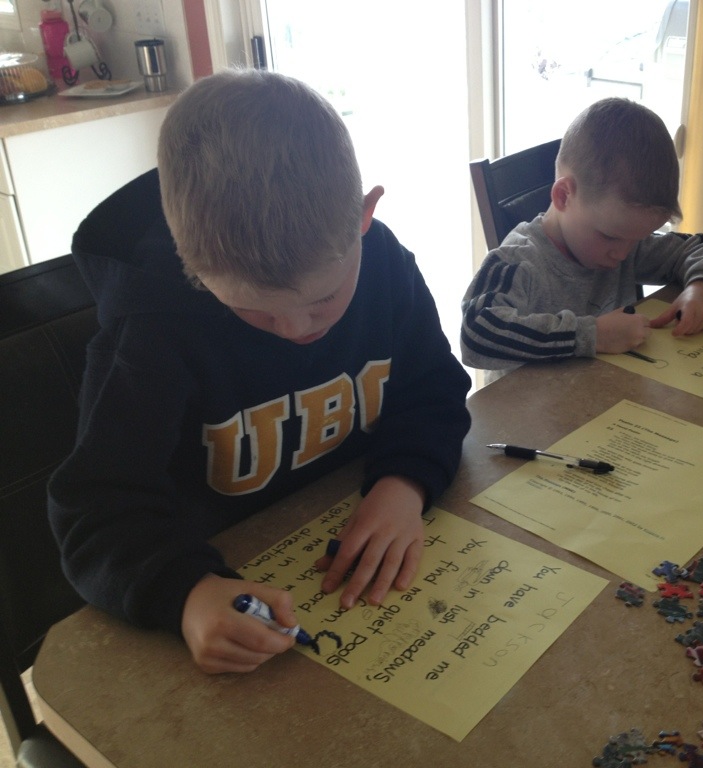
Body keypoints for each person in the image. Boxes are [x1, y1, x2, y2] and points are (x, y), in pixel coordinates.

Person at [47, 70, 472, 674]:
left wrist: (405, 483)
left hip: (353, 548)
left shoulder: (386, 265)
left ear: (364, 216)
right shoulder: (152, 331)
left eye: (323, 299)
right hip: (231, 579)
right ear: (190, 263)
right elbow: (95, 513)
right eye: (252, 311)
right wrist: (186, 594)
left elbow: (434, 388)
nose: (296, 328)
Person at [461, 97, 703, 373]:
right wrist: (591, 336)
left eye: (638, 238)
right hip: (534, 402)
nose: (623, 253)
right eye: (610, 237)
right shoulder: (517, 260)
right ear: (563, 196)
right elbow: (475, 333)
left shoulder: (626, 243)